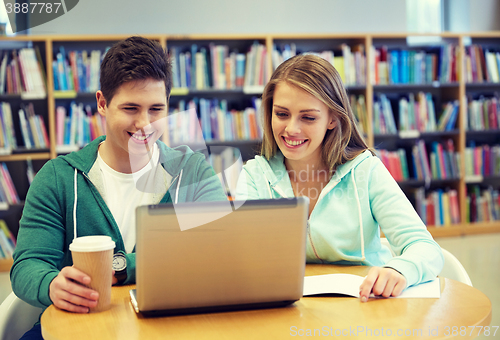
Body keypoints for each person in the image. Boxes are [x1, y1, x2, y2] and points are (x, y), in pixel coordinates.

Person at [11, 36, 227, 339]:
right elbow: (27, 266)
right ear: (102, 103)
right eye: (130, 108)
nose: (144, 124)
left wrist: (123, 267)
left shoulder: (192, 171)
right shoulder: (58, 178)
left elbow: (216, 253)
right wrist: (50, 284)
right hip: (82, 326)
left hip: (170, 328)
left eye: (156, 109)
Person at [235, 54, 443, 302]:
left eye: (308, 117)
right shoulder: (254, 176)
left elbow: (425, 248)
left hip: (365, 305)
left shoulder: (366, 171)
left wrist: (399, 269)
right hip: (290, 309)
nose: (291, 129)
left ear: (333, 118)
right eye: (281, 114)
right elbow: (242, 255)